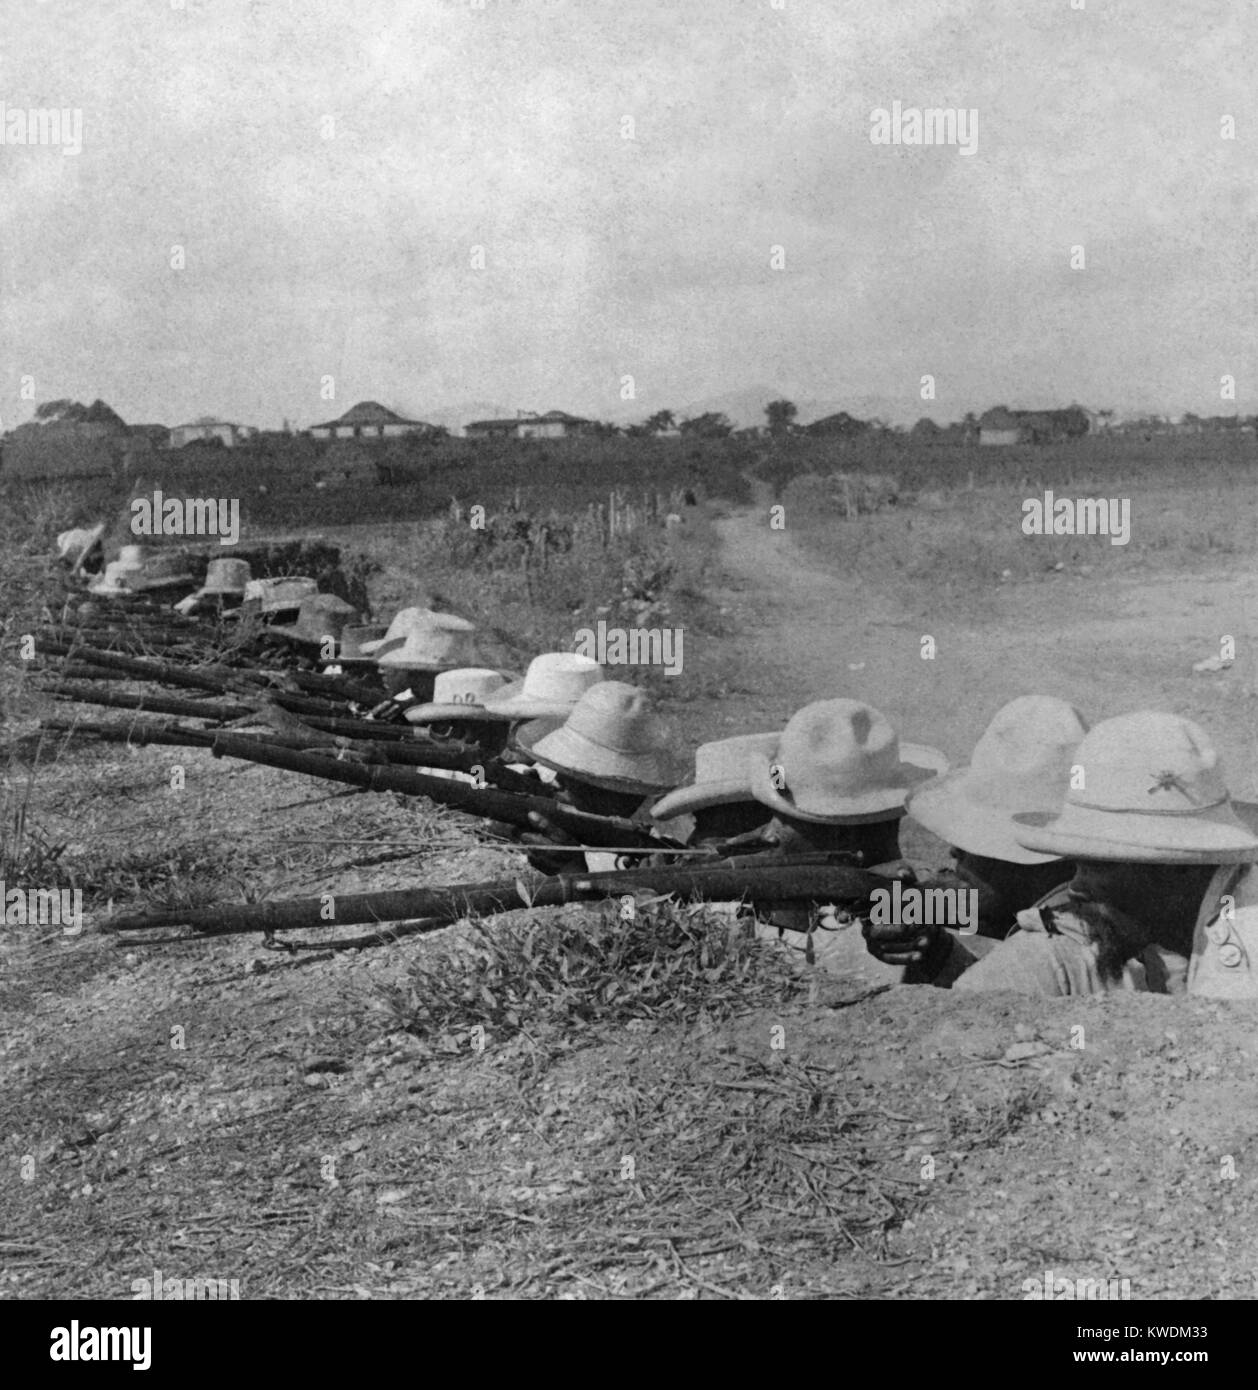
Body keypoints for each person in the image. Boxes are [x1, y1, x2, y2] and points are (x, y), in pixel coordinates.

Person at [894, 711, 1258, 996]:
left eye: (1097, 864)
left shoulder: (1243, 950)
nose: (1077, 885)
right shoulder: (1186, 915)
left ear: (1176, 867)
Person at [859, 696, 1086, 975]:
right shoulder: (1049, 901)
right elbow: (998, 908)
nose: (955, 852)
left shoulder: (1060, 954)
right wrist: (916, 914)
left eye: (975, 840)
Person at [736, 699, 947, 969]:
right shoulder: (922, 898)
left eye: (786, 819)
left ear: (841, 837)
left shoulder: (922, 909)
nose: (768, 834)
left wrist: (923, 934)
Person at [505, 681, 680, 873]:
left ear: (628, 797)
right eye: (562, 770)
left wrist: (573, 872)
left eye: (580, 777)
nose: (558, 781)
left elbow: (622, 902)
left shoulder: (658, 859)